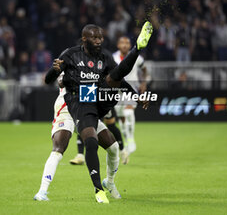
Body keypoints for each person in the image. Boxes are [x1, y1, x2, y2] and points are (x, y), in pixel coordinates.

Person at [40, 21, 153, 203]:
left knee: (114, 147)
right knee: (74, 145)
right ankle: (93, 189)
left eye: (101, 37)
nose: (99, 40)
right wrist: (54, 71)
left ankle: (109, 182)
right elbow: (48, 79)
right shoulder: (70, 55)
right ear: (84, 39)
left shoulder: (105, 57)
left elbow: (119, 79)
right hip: (73, 104)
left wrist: (136, 96)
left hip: (95, 101)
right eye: (95, 37)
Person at [34, 75, 122, 201]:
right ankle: (42, 191)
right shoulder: (72, 58)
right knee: (59, 148)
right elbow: (61, 81)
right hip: (66, 111)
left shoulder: (98, 65)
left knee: (113, 147)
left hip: (85, 111)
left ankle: (109, 182)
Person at [113, 36, 150, 155]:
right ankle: (126, 139)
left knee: (128, 113)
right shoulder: (113, 58)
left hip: (131, 90)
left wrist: (143, 83)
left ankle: (131, 139)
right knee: (122, 118)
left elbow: (144, 70)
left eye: (127, 43)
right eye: (122, 43)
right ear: (118, 45)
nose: (124, 45)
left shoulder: (137, 57)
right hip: (117, 92)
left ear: (130, 46)